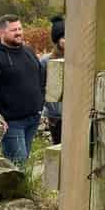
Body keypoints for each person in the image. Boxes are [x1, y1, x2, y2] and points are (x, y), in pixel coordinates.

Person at [0, 15, 46, 165]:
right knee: (17, 164)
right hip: (12, 122)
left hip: (33, 118)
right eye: (13, 30)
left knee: (25, 160)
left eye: (20, 28)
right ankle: (15, 188)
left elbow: (40, 77)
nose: (19, 33)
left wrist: (40, 102)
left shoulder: (28, 51)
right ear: (2, 32)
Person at [40, 16, 65, 145]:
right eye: (64, 37)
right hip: (56, 116)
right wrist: (49, 107)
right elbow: (40, 85)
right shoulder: (46, 61)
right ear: (57, 40)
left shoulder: (79, 59)